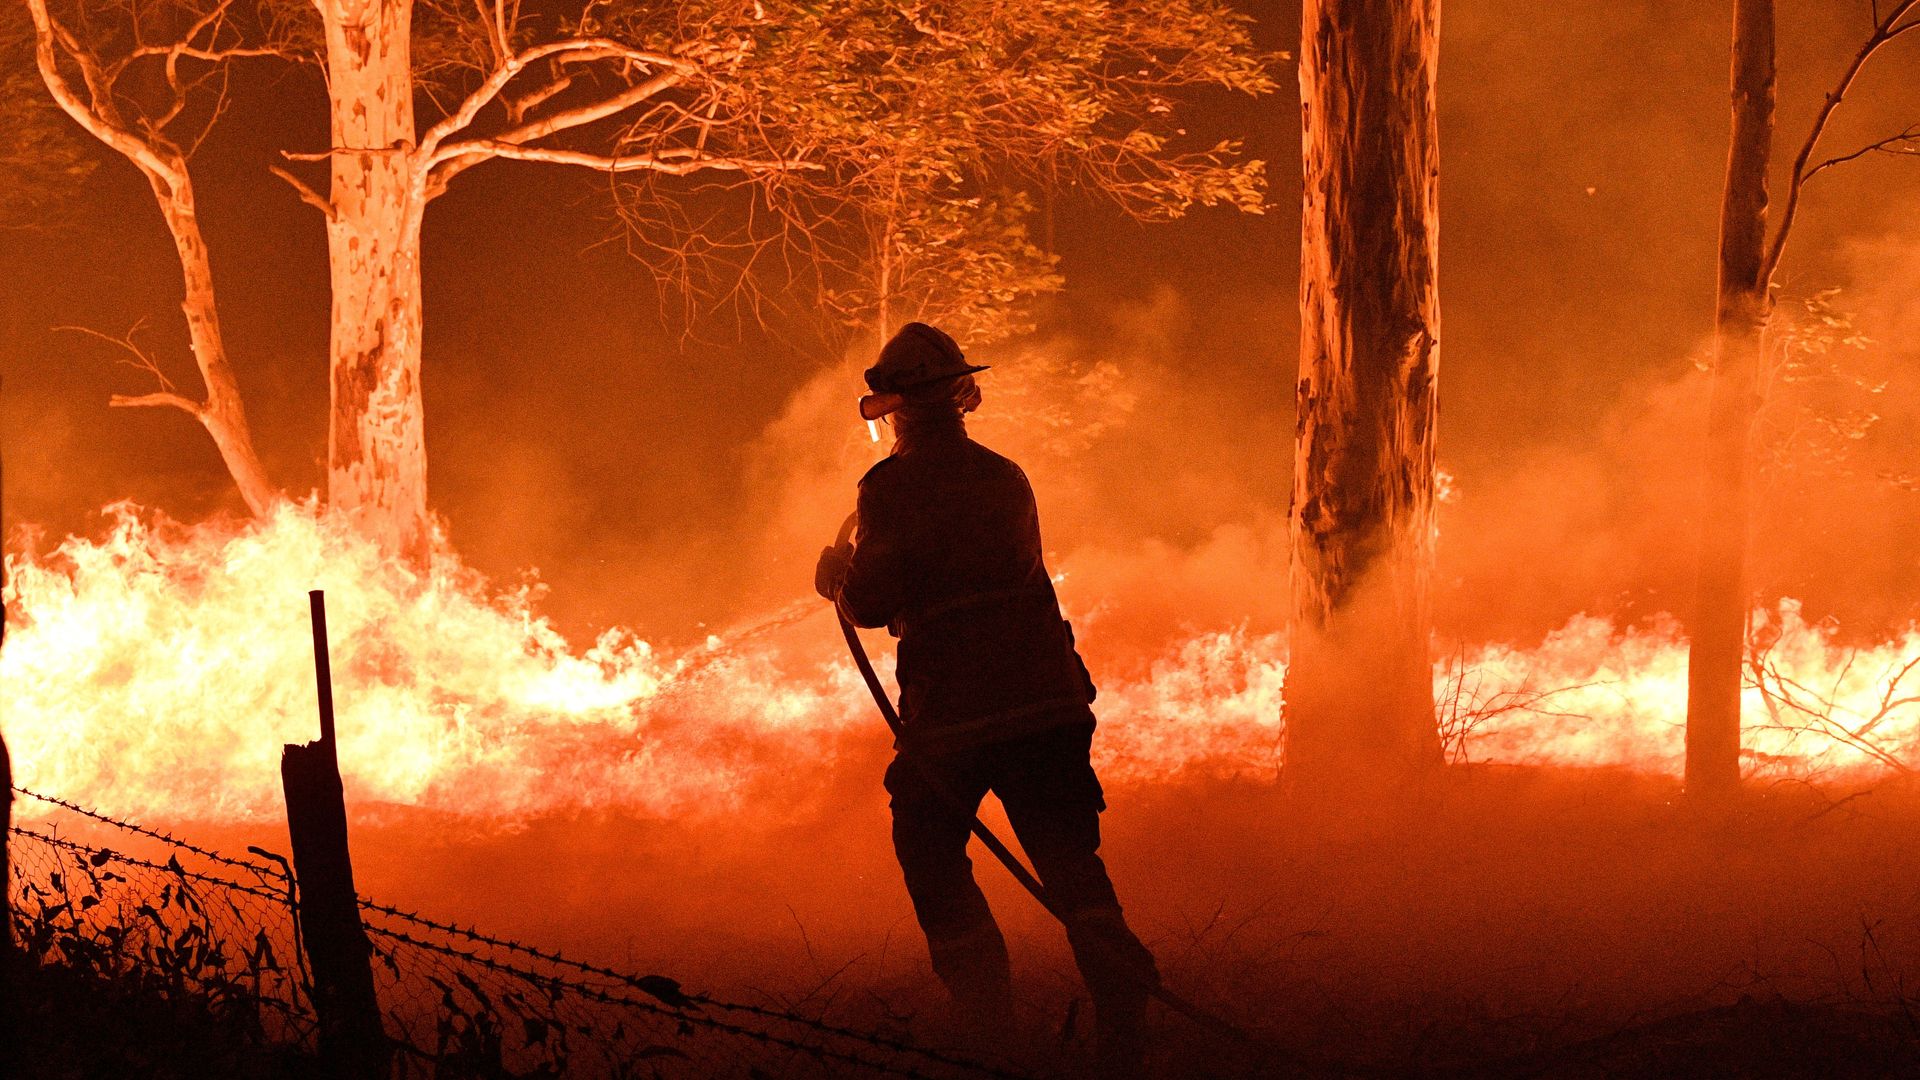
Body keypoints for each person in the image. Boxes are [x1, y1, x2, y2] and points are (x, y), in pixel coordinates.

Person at [815, 322, 1159, 1074]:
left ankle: (984, 1019)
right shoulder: (1006, 475)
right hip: (1045, 701)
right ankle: (1121, 1004)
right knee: (1068, 856)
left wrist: (834, 577)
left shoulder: (891, 487)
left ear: (895, 407)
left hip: (956, 713)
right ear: (961, 398)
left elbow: (870, 603)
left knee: (928, 843)